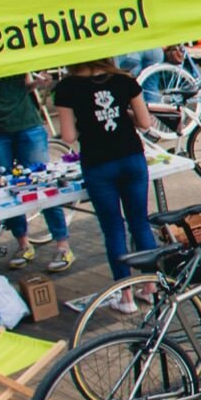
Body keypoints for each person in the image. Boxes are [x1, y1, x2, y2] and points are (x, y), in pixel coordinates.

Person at [52, 59, 158, 304]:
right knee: (140, 223)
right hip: (131, 156)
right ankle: (150, 286)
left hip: (98, 163)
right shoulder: (124, 80)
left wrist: (88, 120)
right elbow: (145, 122)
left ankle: (126, 296)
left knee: (113, 229)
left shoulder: (67, 87)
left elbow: (68, 136)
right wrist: (123, 114)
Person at [0, 72, 74, 272]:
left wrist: (37, 84)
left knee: (44, 185)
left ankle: (63, 246)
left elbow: (26, 84)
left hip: (27, 124)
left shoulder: (13, 55)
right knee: (6, 190)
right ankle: (23, 244)